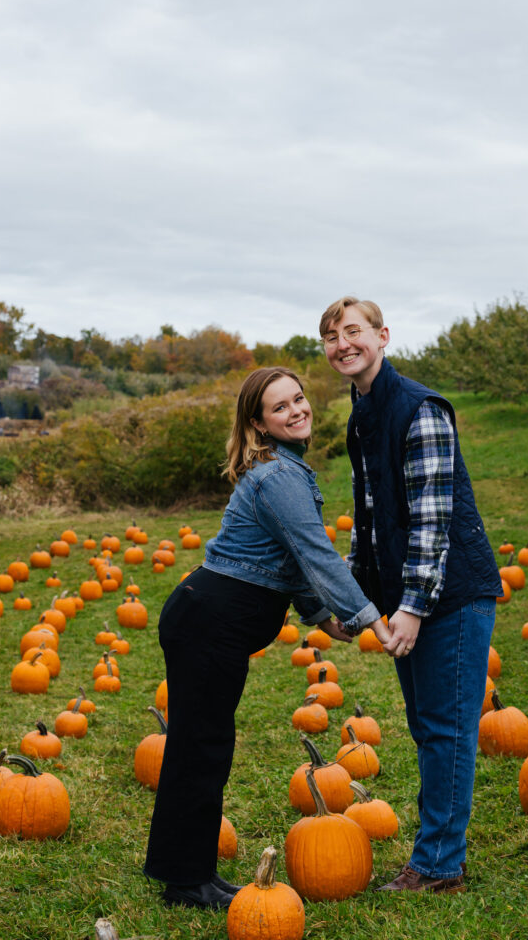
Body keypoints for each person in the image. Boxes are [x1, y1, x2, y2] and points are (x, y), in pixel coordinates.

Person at [144, 366, 391, 909]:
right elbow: (315, 552)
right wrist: (370, 617)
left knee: (199, 744)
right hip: (208, 622)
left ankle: (184, 871)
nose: (296, 410)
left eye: (298, 399)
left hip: (209, 621)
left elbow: (292, 561)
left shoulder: (286, 470)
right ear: (257, 422)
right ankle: (188, 881)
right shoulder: (278, 475)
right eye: (280, 407)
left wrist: (322, 617)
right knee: (202, 746)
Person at [319, 296, 501, 893]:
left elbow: (431, 521)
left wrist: (414, 608)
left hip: (450, 594)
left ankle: (439, 866)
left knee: (446, 729)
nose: (342, 344)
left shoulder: (419, 409)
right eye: (330, 337)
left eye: (353, 332)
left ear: (383, 336)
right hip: (410, 595)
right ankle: (438, 854)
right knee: (428, 727)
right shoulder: (363, 411)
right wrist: (355, 598)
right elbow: (370, 517)